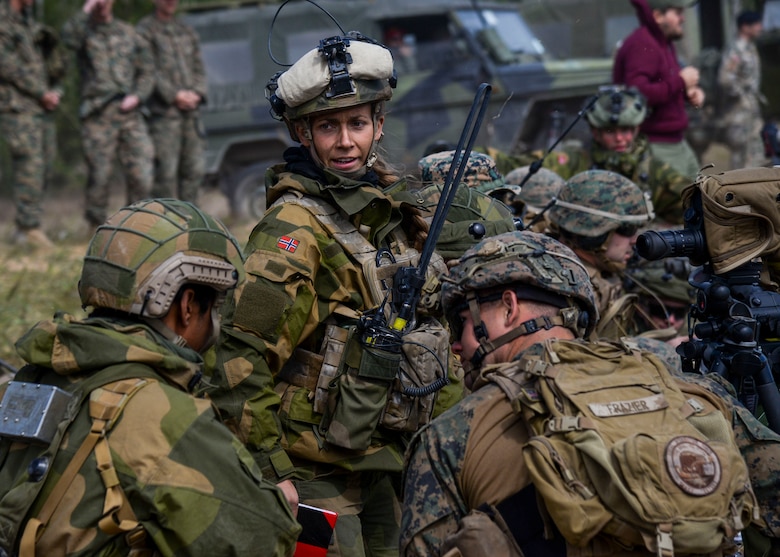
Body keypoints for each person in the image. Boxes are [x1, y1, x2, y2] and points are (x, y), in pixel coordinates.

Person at [207, 31, 460, 556]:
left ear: (378, 125)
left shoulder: (391, 213)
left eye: (357, 124)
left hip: (387, 461)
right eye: (328, 127)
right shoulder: (294, 230)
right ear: (304, 133)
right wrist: (272, 471)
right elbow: (239, 357)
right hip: (314, 473)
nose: (345, 141)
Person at [400, 229, 780, 557]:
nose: (456, 345)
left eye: (462, 322)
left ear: (509, 307)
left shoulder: (450, 437)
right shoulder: (691, 389)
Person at [0, 199, 300, 556]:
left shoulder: (26, 382)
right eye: (217, 307)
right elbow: (260, 541)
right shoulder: (161, 412)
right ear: (188, 306)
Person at [524, 86, 691, 225]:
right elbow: (522, 165)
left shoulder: (653, 170)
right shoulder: (577, 160)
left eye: (625, 130)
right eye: (610, 132)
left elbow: (688, 199)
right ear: (595, 133)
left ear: (636, 129)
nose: (619, 139)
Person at [546, 169, 673, 340]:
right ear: (594, 232)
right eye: (627, 230)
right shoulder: (564, 287)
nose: (634, 240)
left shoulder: (597, 271)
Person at [62, 0, 154, 230]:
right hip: (98, 115)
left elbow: (148, 70)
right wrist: (86, 9)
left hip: (129, 113)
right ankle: (96, 229)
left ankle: (135, 225)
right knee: (99, 176)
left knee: (142, 172)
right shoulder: (83, 31)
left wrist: (138, 95)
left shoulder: (129, 33)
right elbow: (67, 39)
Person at [613, 0, 705, 180]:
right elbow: (637, 94)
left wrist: (688, 93)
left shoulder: (663, 43)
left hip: (676, 142)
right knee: (681, 204)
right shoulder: (642, 44)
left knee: (698, 199)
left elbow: (663, 86)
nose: (682, 19)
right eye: (677, 12)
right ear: (657, 16)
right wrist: (680, 82)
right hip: (658, 146)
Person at [0, 0, 63, 248]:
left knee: (46, 162)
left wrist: (54, 90)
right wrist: (40, 91)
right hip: (15, 106)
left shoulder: (30, 22)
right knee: (30, 163)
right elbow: (7, 65)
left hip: (39, 106)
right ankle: (29, 228)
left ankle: (25, 227)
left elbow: (46, 64)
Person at [137, 0, 207, 203]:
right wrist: (173, 95)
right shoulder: (144, 30)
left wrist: (197, 93)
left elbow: (199, 66)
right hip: (164, 117)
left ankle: (192, 222)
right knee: (165, 175)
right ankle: (166, 225)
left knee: (194, 170)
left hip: (191, 114)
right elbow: (147, 70)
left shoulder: (185, 30)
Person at [719, 10, 767, 170]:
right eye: (756, 24)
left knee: (755, 156)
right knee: (740, 159)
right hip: (738, 114)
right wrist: (742, 96)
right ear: (745, 27)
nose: (760, 28)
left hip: (751, 113)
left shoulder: (750, 47)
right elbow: (725, 79)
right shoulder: (736, 50)